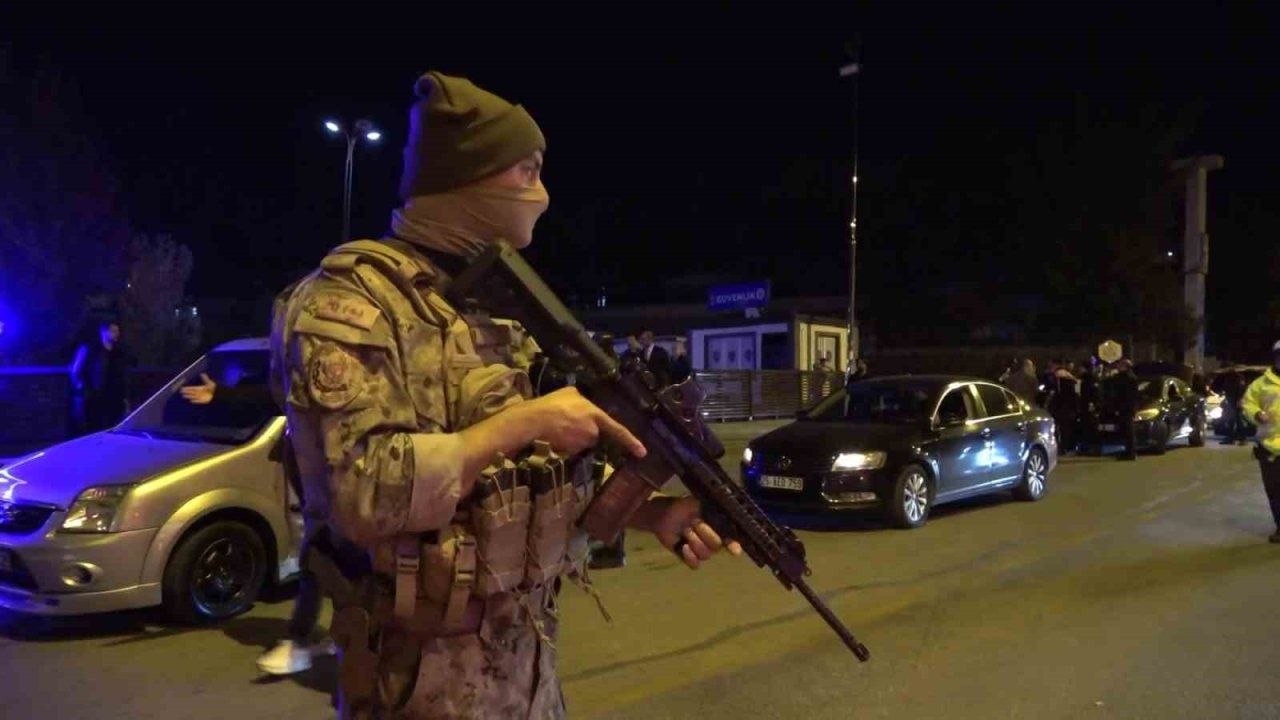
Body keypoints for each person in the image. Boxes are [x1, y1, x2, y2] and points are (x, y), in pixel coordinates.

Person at [270, 71, 739, 718]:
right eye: (527, 171)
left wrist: (651, 514)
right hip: (414, 690)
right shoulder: (347, 306)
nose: (541, 195)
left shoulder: (493, 311)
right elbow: (360, 497)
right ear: (466, 177)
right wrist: (523, 423)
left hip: (527, 685)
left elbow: (523, 487)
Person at [180, 373, 336, 674]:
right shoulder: (304, 386)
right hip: (317, 491)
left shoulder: (337, 385)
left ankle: (302, 642)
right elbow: (276, 395)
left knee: (320, 561)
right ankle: (333, 638)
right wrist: (221, 393)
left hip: (337, 489)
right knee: (326, 563)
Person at [1241, 342, 1280, 543]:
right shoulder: (1261, 384)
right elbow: (1247, 403)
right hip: (1269, 446)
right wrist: (1256, 414)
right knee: (1274, 490)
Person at [69, 320, 133, 433]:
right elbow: (75, 370)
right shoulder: (90, 348)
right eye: (113, 331)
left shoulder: (118, 352)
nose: (116, 334)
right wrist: (81, 388)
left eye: (117, 331)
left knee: (111, 429)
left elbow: (121, 375)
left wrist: (125, 398)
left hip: (113, 399)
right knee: (92, 429)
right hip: (93, 398)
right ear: (103, 331)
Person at [1112, 358, 1140, 461]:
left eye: (1120, 365)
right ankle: (1128, 451)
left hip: (1127, 407)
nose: (1118, 367)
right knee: (1126, 430)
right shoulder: (1127, 377)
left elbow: (1128, 395)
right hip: (1126, 407)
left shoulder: (1129, 378)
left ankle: (1131, 452)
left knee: (1129, 430)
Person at [1220, 366, 1250, 445]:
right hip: (1231, 401)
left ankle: (1242, 438)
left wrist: (1239, 400)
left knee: (1238, 420)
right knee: (1231, 420)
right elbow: (1227, 389)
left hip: (1236, 401)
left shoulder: (1238, 377)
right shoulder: (1228, 377)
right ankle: (1232, 438)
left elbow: (1241, 389)